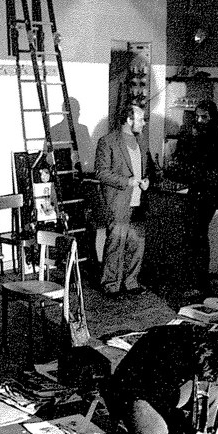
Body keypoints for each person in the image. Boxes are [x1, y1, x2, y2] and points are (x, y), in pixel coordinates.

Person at [102, 323, 218, 434]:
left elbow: (212, 382)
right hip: (135, 393)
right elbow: (161, 403)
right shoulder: (167, 351)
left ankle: (206, 431)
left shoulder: (205, 349)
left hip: (170, 389)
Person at [94, 103, 156, 297]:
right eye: (141, 119)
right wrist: (127, 181)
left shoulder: (141, 142)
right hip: (119, 202)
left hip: (139, 203)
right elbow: (101, 172)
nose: (144, 123)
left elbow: (149, 169)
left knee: (137, 245)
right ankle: (111, 285)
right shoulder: (108, 142)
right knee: (116, 245)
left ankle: (131, 283)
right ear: (129, 120)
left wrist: (147, 180)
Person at [168, 99, 218, 297]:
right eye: (197, 116)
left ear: (212, 117)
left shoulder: (213, 138)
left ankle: (198, 283)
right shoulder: (204, 135)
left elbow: (201, 166)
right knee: (195, 237)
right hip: (203, 192)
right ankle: (197, 282)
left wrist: (178, 171)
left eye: (204, 117)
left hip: (206, 193)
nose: (200, 120)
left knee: (197, 238)